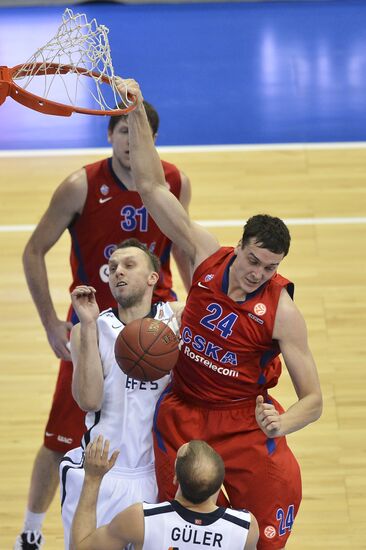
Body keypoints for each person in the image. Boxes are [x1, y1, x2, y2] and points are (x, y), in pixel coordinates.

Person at [115, 78, 323, 550]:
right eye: (253, 261)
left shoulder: (282, 312)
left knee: (271, 523)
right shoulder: (206, 256)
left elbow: (314, 400)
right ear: (240, 246)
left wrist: (284, 422)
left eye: (269, 267)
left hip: (242, 421)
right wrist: (136, 113)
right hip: (184, 411)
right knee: (174, 537)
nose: (257, 273)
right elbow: (150, 185)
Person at [15, 101, 191, 550]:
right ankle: (31, 531)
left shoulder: (173, 182)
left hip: (157, 325)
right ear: (109, 136)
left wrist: (197, 311)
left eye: (140, 133)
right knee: (60, 437)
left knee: (170, 429)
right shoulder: (81, 185)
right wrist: (52, 323)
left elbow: (186, 250)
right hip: (95, 327)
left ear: (152, 139)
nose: (132, 142)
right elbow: (33, 251)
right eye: (124, 132)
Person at [59, 238, 183, 549]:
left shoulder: (178, 320)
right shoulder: (88, 330)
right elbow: (88, 401)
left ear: (153, 277)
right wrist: (87, 326)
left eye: (129, 265)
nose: (118, 272)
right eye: (113, 267)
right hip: (100, 472)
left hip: (157, 472)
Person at [70, 435, 259, 550]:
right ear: (220, 484)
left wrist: (92, 479)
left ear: (175, 478)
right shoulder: (245, 528)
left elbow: (81, 547)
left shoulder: (140, 519)